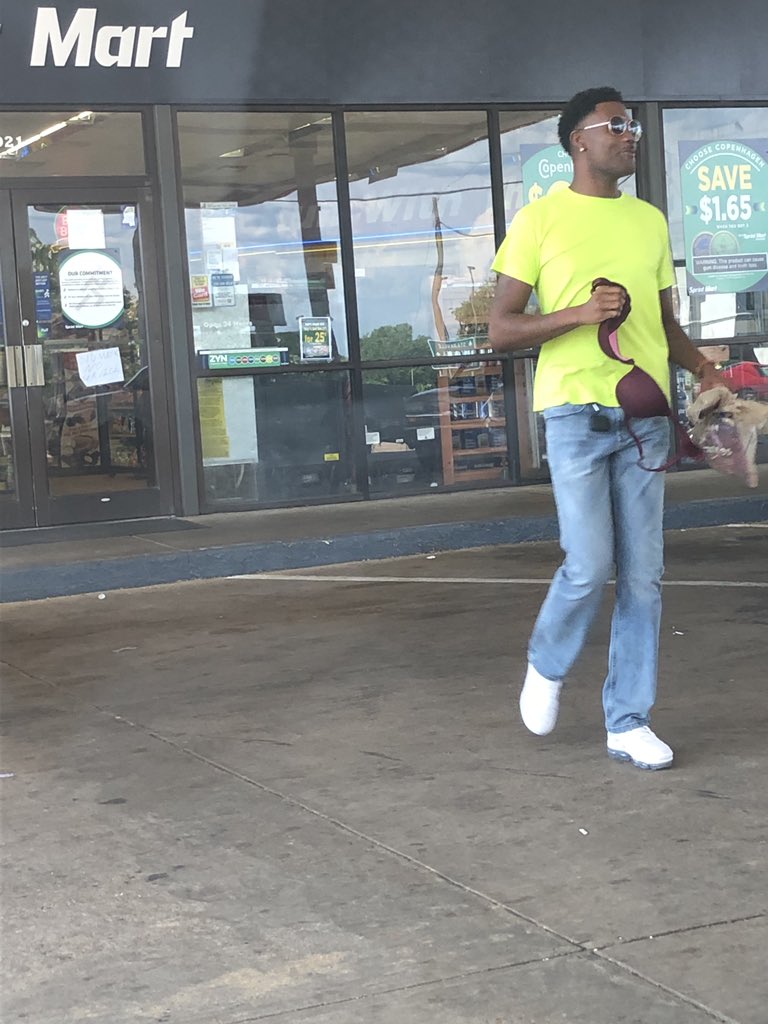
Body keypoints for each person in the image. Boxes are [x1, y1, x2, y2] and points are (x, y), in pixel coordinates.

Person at [488, 86, 727, 770]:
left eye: (632, 125)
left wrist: (702, 369)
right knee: (590, 565)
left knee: (645, 578)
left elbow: (663, 323)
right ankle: (546, 661)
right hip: (574, 416)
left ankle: (627, 720)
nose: (630, 134)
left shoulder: (650, 222)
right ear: (578, 141)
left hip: (644, 419)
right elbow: (501, 328)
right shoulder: (538, 220)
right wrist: (576, 315)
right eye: (615, 125)